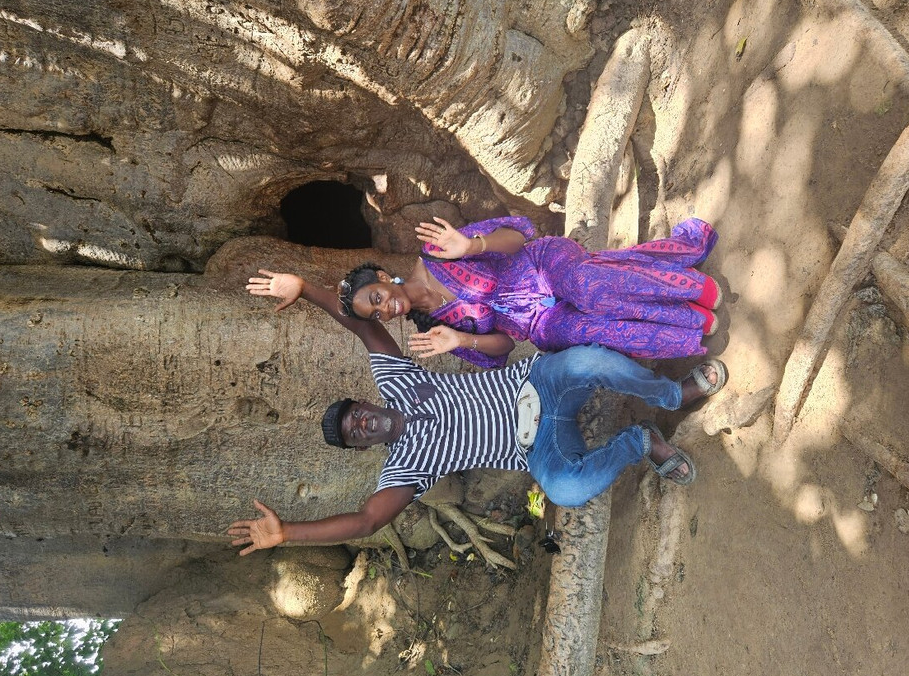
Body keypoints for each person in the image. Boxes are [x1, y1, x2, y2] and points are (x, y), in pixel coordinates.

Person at [228, 271, 727, 554]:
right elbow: (364, 522)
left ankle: (673, 394)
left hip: (537, 384)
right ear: (364, 447)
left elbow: (361, 326)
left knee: (590, 362)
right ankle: (642, 442)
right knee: (566, 490)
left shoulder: (396, 382)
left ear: (365, 403)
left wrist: (305, 288)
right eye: (354, 434)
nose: (360, 424)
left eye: (354, 415)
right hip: (539, 450)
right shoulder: (404, 469)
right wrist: (288, 533)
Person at [333, 215, 722, 368]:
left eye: (377, 298)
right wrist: (462, 339)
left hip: (543, 266)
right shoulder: (433, 331)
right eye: (378, 315)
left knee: (586, 288)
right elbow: (506, 345)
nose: (387, 308)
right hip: (538, 323)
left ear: (382, 277)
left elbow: (517, 238)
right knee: (583, 331)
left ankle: (691, 289)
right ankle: (686, 324)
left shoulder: (437, 252)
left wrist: (472, 245)